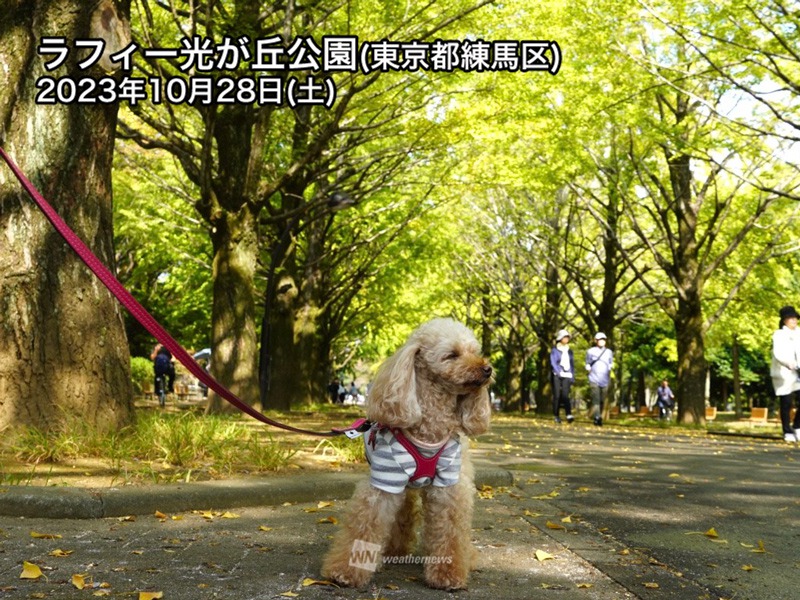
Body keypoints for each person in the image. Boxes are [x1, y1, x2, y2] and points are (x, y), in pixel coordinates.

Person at [771, 305, 800, 443]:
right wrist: (788, 363)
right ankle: (787, 431)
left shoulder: (799, 333)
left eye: (795, 318)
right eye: (791, 318)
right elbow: (778, 353)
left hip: (798, 372)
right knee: (786, 402)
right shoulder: (779, 335)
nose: (794, 321)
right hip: (784, 373)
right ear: (784, 321)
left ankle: (797, 426)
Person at [585, 332, 613, 426]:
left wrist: (610, 372)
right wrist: (588, 369)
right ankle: (597, 418)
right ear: (596, 341)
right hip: (594, 378)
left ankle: (600, 415)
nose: (602, 341)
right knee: (595, 399)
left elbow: (610, 364)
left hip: (605, 380)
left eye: (603, 340)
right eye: (600, 339)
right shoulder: (590, 351)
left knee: (602, 400)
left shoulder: (609, 352)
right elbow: (587, 363)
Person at [550, 329, 575, 423]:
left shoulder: (570, 351)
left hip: (567, 374)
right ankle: (556, 415)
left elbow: (572, 364)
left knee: (565, 395)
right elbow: (553, 362)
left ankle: (568, 414)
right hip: (557, 374)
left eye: (567, 337)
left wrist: (572, 376)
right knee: (557, 395)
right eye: (564, 337)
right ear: (560, 338)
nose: (566, 339)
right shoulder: (555, 350)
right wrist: (558, 371)